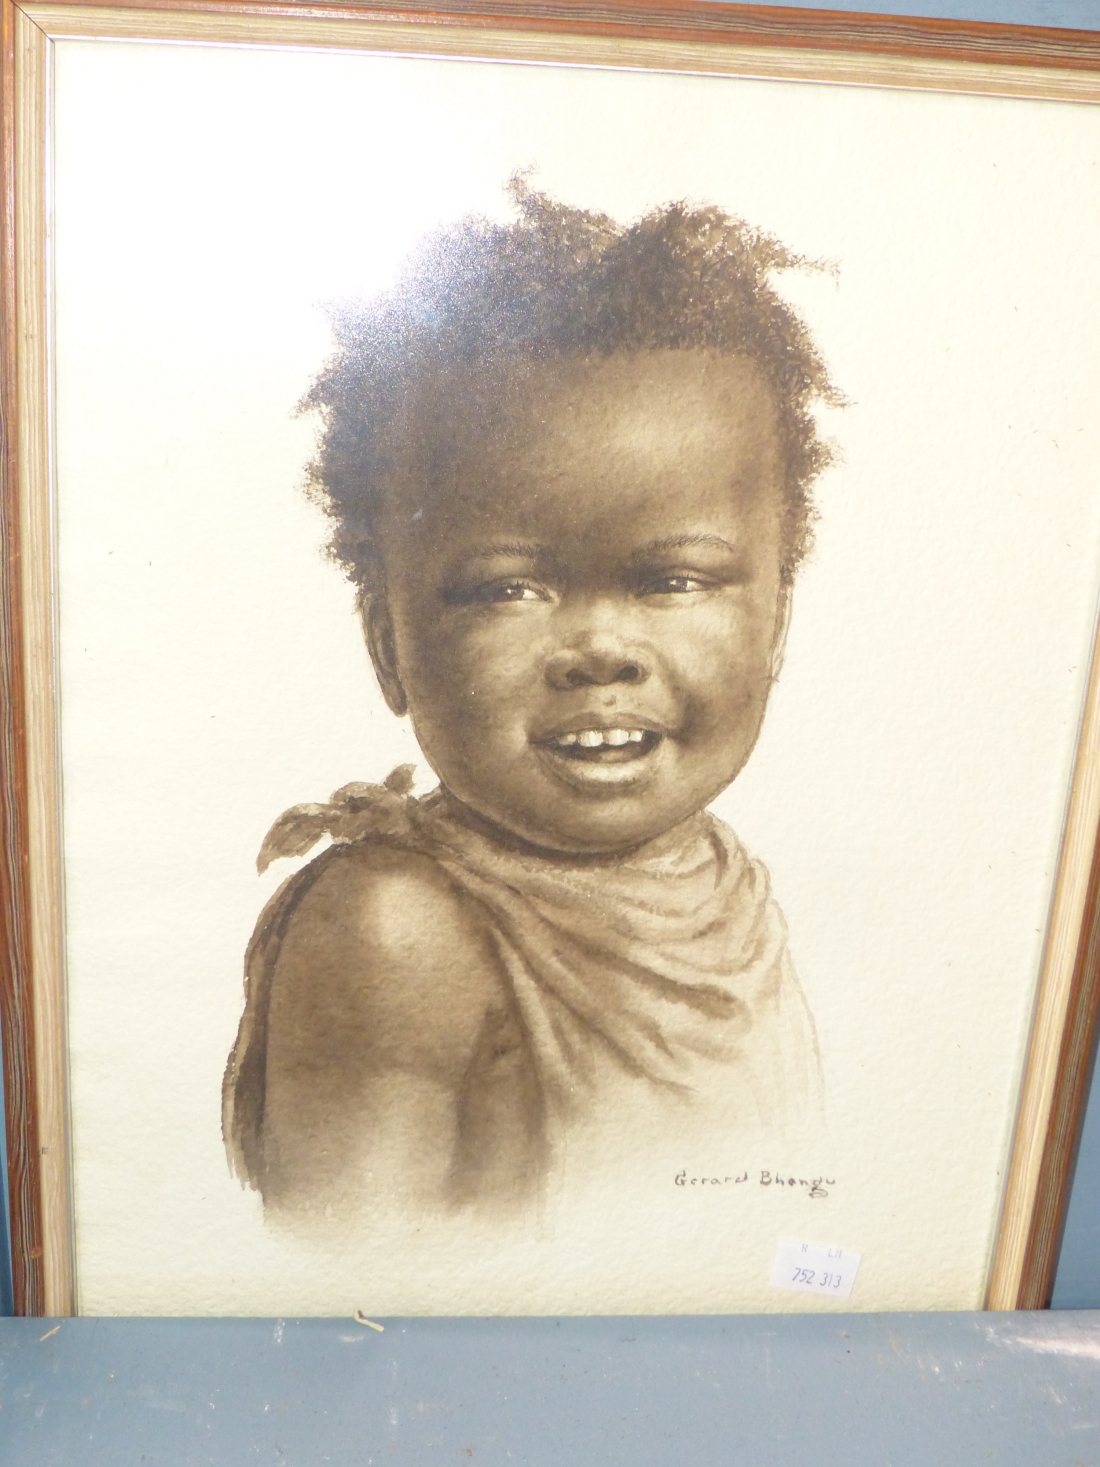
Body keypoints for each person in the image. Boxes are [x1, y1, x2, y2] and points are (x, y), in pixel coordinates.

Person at [223, 178, 841, 1227]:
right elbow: (344, 1295)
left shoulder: (723, 884)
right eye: (506, 588)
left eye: (673, 579)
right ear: (389, 643)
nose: (598, 649)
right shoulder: (391, 932)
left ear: (776, 618)